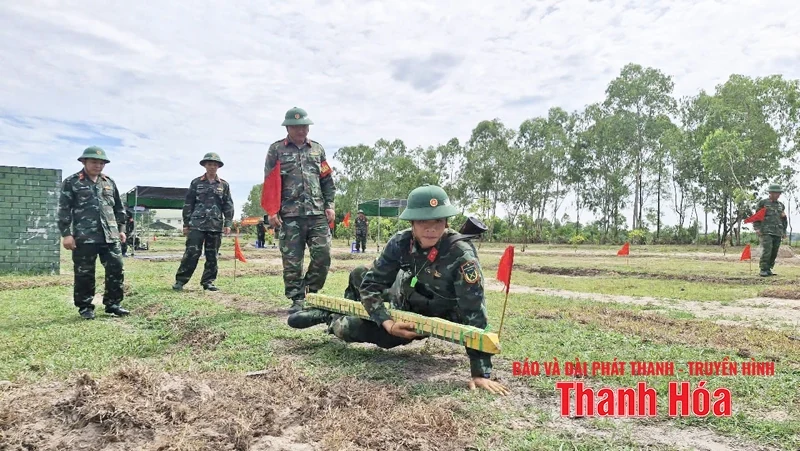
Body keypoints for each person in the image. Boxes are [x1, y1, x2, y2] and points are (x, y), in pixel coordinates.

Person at [288, 184, 509, 395]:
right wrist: (388, 323)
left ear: (447, 222)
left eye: (438, 221)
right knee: (358, 273)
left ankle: (332, 319)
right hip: (402, 297)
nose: (431, 228)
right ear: (412, 222)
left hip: (425, 319)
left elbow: (474, 311)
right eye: (423, 221)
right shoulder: (400, 243)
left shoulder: (461, 254)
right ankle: (339, 310)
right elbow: (371, 285)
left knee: (348, 329)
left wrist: (481, 373)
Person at [265, 107, 336, 313]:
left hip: (317, 213)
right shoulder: (276, 150)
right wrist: (272, 210)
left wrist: (329, 205)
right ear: (288, 127)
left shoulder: (317, 150)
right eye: (296, 127)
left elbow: (327, 180)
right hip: (289, 215)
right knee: (292, 262)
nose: (301, 130)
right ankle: (297, 299)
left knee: (323, 254)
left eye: (304, 126)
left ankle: (310, 290)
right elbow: (270, 182)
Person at [57, 146, 129, 320]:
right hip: (84, 236)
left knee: (116, 268)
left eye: (101, 162)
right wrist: (66, 234)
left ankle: (113, 304)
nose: (98, 165)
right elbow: (64, 210)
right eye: (94, 162)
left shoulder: (109, 182)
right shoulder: (72, 182)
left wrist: (121, 230)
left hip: (110, 236)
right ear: (84, 162)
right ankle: (85, 307)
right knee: (84, 273)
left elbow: (119, 208)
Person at [173, 152, 234, 291]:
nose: (212, 166)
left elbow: (228, 205)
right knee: (191, 253)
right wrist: (186, 224)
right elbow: (189, 203)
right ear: (205, 165)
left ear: (218, 166)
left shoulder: (224, 185)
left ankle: (208, 282)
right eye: (209, 164)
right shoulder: (196, 182)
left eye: (214, 164)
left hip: (215, 225)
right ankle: (180, 281)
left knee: (212, 255)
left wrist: (228, 223)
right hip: (197, 225)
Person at [753, 184, 788, 277]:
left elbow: (784, 219)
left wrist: (784, 231)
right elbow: (757, 217)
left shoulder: (781, 205)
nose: (778, 195)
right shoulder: (763, 203)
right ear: (770, 193)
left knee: (774, 251)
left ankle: (768, 268)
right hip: (766, 231)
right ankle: (763, 269)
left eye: (779, 193)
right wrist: (757, 228)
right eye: (776, 193)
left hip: (777, 232)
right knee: (767, 250)